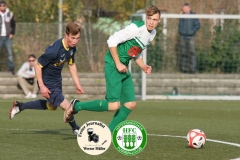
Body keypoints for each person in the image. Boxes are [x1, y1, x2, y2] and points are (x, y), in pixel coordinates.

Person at [64, 6, 161, 133]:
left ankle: (108, 133)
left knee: (130, 104)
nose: (151, 22)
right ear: (146, 18)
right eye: (149, 18)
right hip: (113, 65)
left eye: (155, 19)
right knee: (113, 105)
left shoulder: (152, 34)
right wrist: (118, 63)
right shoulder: (135, 28)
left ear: (159, 21)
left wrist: (143, 66)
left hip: (123, 67)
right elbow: (112, 40)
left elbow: (135, 52)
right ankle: (76, 106)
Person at [9, 22, 84, 135]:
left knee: (52, 106)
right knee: (67, 106)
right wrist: (42, 86)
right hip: (47, 81)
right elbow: (37, 65)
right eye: (72, 38)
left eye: (77, 38)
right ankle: (76, 128)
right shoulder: (53, 51)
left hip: (57, 80)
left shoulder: (72, 48)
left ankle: (20, 106)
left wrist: (77, 84)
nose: (75, 41)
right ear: (66, 35)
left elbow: (71, 65)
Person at [178, 3, 200, 74]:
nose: (185, 9)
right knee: (183, 53)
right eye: (184, 8)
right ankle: (184, 69)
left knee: (192, 53)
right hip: (182, 37)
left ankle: (192, 69)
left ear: (189, 8)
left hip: (191, 37)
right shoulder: (181, 16)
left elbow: (198, 25)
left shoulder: (193, 15)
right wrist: (180, 31)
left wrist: (192, 31)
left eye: (186, 8)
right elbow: (179, 25)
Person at [0, 0, 16, 75]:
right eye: (1, 5)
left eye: (3, 5)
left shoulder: (10, 14)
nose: (2, 7)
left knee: (9, 53)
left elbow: (13, 25)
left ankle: (11, 69)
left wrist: (12, 33)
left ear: (6, 6)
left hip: (7, 37)